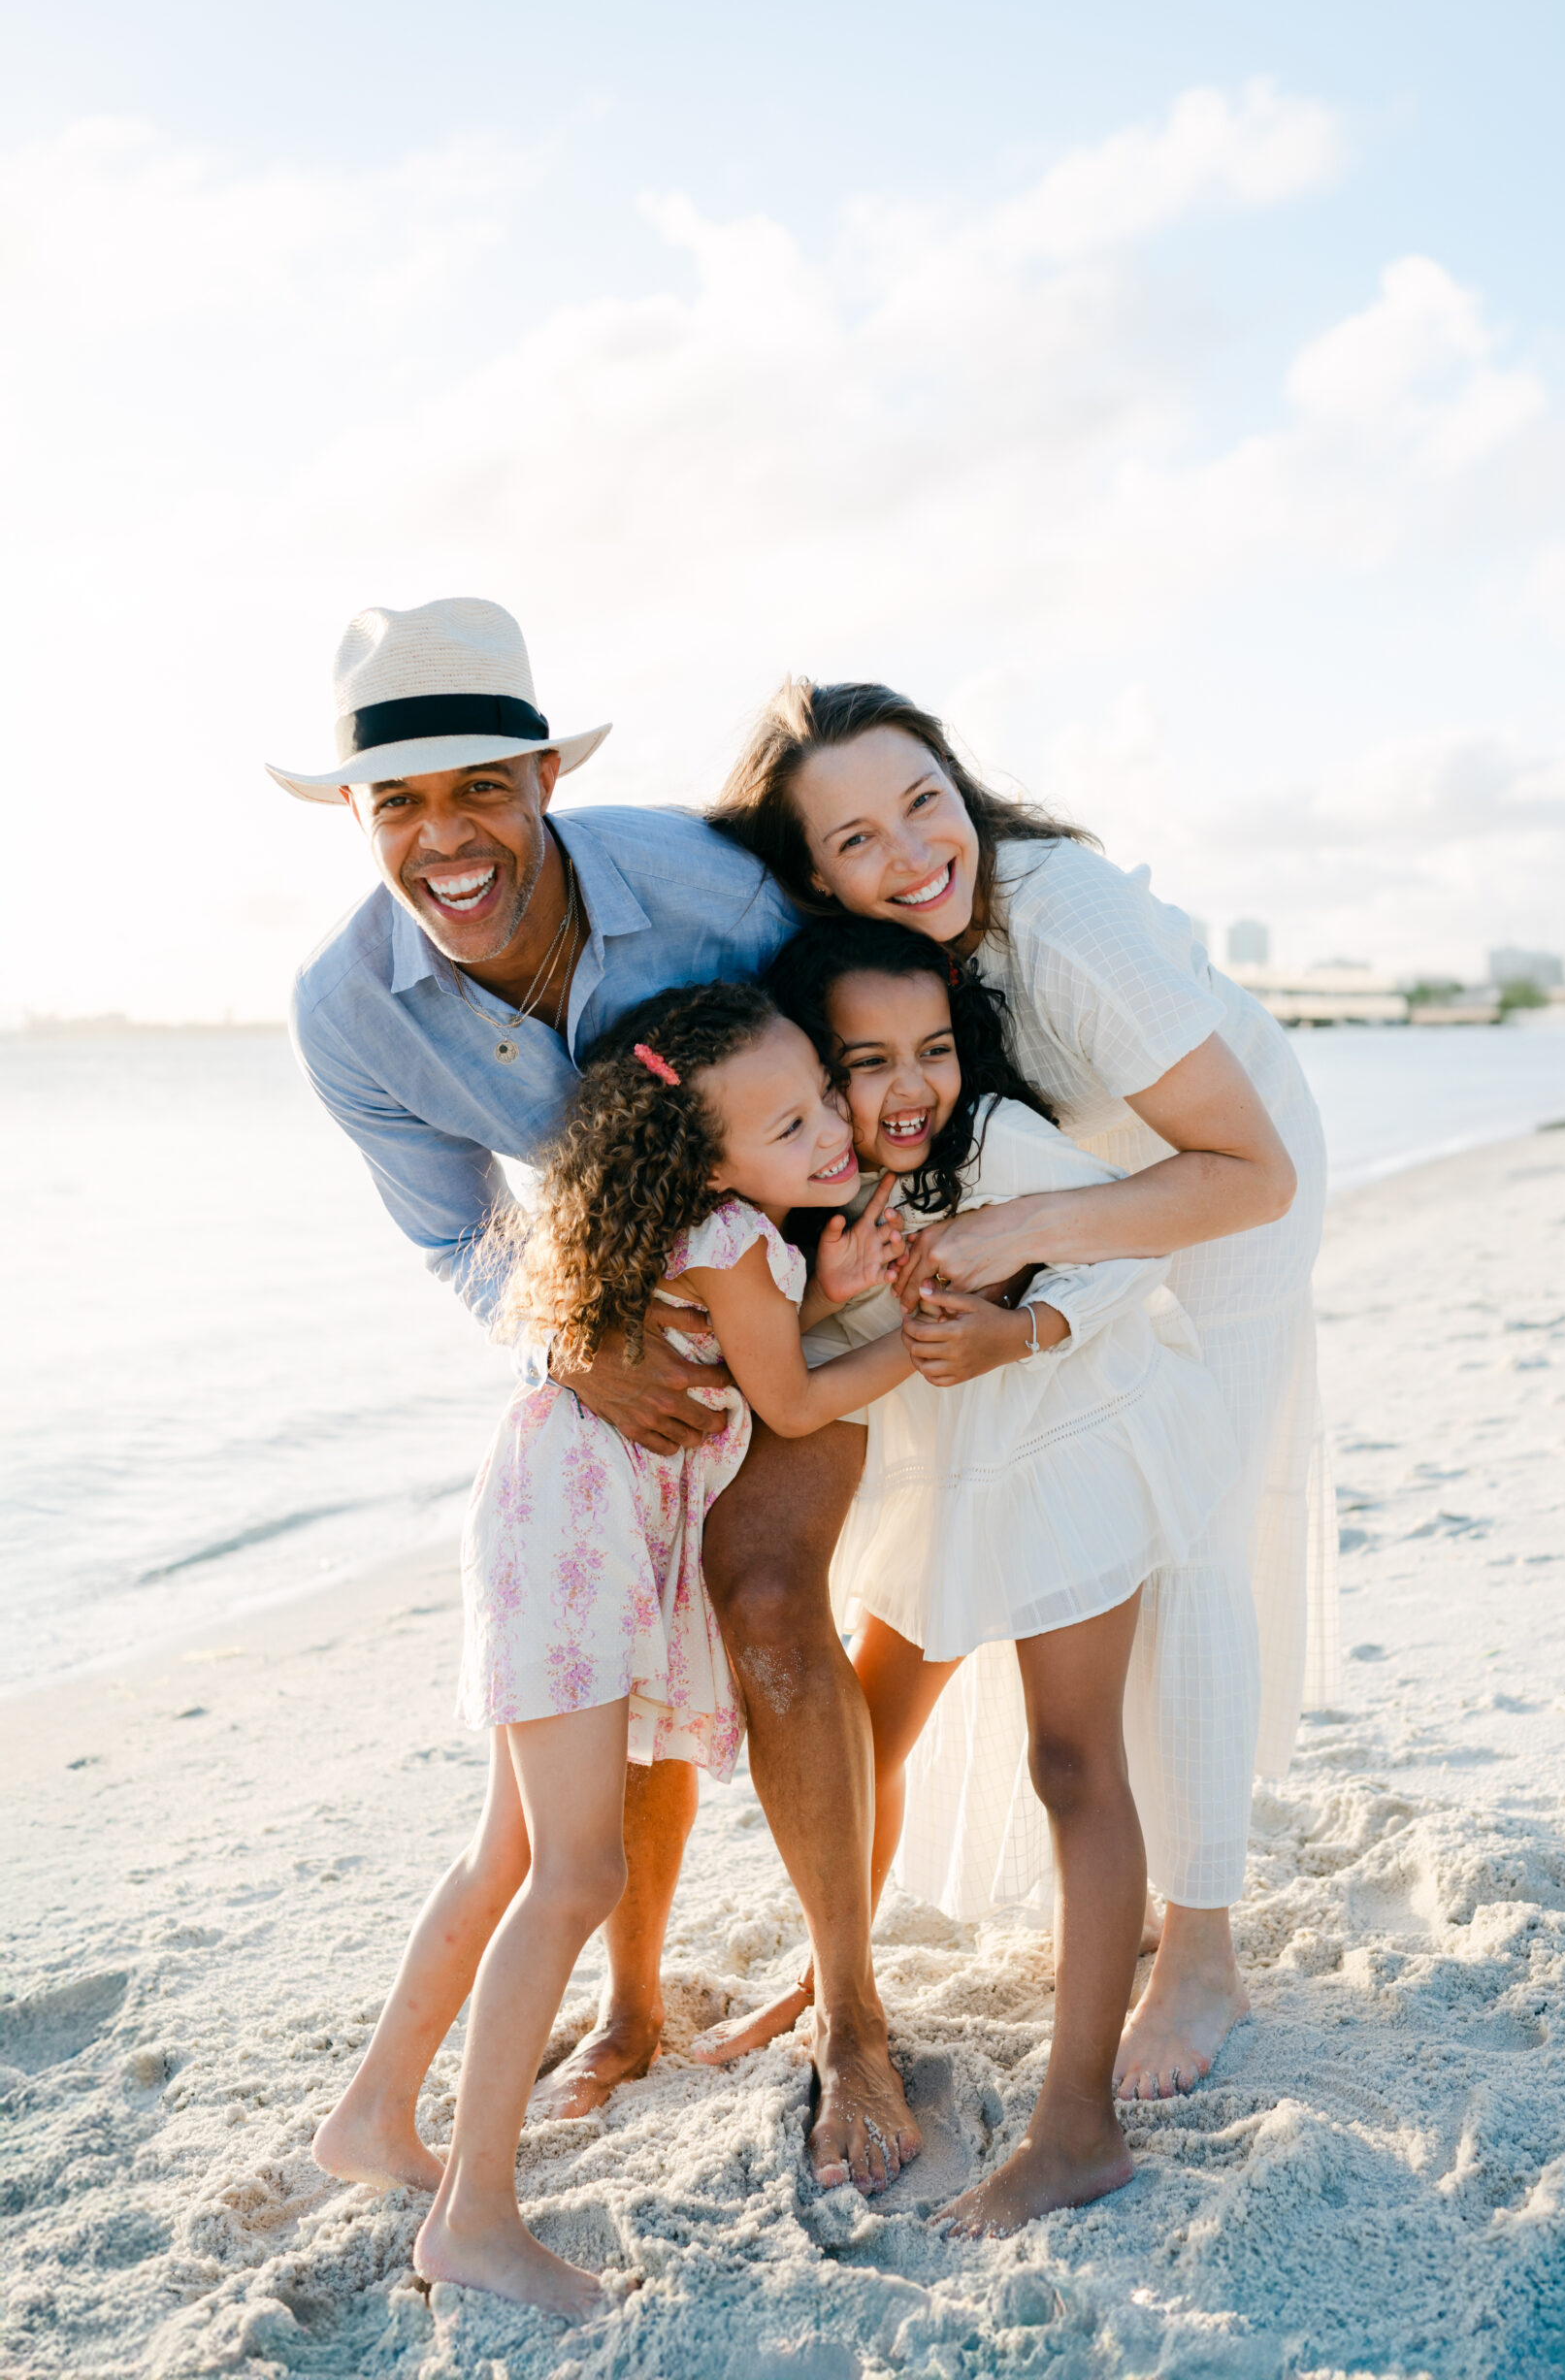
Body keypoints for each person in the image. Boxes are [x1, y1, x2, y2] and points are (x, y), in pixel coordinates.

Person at [273, 599, 920, 2194]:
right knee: (619, 1666)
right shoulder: (346, 1009)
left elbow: (874, 1004)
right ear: (360, 819)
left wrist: (880, 1250)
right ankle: (627, 2011)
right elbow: (455, 1234)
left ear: (546, 775)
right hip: (610, 1355)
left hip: (808, 1279)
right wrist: (576, 1344)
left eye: (480, 786)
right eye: (399, 804)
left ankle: (852, 2020)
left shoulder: (710, 887)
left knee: (764, 1598)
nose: (448, 839)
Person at [708, 678, 1337, 2102]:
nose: (913, 852)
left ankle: (1203, 1949)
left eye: (928, 799)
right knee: (966, 1519)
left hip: (1223, 1169)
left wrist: (1024, 1241)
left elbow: (1248, 1174)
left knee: (1192, 1534)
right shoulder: (856, 965)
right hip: (1052, 1181)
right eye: (858, 838)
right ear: (814, 878)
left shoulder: (1066, 922)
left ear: (962, 782)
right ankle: (847, 1945)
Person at [318, 982, 913, 2312]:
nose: (830, 1135)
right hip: (583, 1540)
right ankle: (475, 2215)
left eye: (824, 1099)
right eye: (790, 1124)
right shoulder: (744, 1242)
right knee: (574, 1872)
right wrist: (912, 1344)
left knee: (511, 1853)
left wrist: (821, 1295)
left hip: (541, 1510)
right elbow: (797, 1395)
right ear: (712, 1158)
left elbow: (743, 1357)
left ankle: (371, 2115)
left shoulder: (677, 1227)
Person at [752, 918, 1239, 2232]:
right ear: (815, 1069)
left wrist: (1018, 1327)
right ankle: (835, 1980)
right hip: (949, 1482)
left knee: (1072, 1764)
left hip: (1070, 1439)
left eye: (934, 1050)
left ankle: (1077, 2123)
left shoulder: (1001, 1147)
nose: (911, 1089)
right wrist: (825, 1295)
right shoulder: (813, 1182)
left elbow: (1137, 1252)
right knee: (864, 1728)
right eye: (869, 1061)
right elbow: (794, 1345)